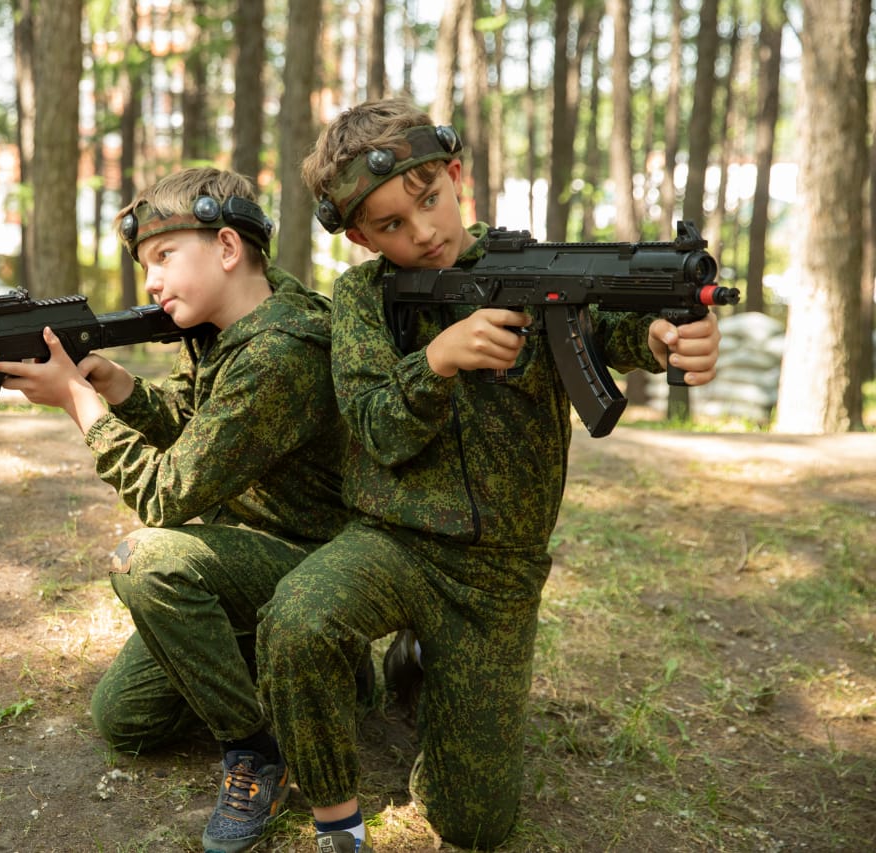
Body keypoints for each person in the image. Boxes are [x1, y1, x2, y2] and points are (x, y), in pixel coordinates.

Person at [256, 99, 723, 852]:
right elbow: (375, 423)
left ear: (453, 175)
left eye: (428, 201)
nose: (424, 233)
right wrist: (437, 362)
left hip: (497, 575)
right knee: (298, 616)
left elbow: (616, 328)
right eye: (390, 227)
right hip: (393, 542)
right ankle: (335, 817)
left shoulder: (535, 271)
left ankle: (418, 665)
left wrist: (667, 338)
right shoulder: (361, 298)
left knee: (472, 823)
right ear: (356, 237)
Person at [0, 167, 355, 853]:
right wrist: (121, 386)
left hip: (314, 574)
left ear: (225, 247)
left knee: (144, 558)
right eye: (146, 266)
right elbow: (198, 419)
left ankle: (256, 749)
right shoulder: (231, 328)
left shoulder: (281, 351)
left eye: (163, 258)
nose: (151, 283)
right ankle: (273, 663)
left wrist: (79, 403)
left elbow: (165, 495)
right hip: (252, 556)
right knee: (121, 718)